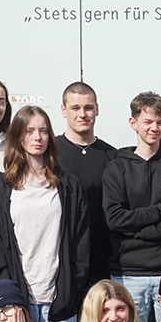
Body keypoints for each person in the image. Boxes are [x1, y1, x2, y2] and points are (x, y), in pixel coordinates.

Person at [0, 104, 91, 322]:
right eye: (30, 131)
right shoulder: (1, 188)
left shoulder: (68, 186)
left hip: (58, 297)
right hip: (20, 298)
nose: (38, 137)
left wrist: (72, 287)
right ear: (18, 136)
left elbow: (81, 243)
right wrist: (8, 298)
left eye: (43, 130)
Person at [103, 91, 161, 322]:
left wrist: (136, 232)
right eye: (148, 121)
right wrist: (158, 212)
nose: (155, 127)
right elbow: (114, 219)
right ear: (133, 123)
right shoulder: (116, 168)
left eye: (160, 121)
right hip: (128, 274)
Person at [55, 81, 118, 288]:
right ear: (64, 110)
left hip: (102, 262)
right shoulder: (50, 153)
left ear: (97, 109)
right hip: (60, 261)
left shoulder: (112, 156)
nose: (82, 114)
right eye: (75, 108)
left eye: (88, 108)